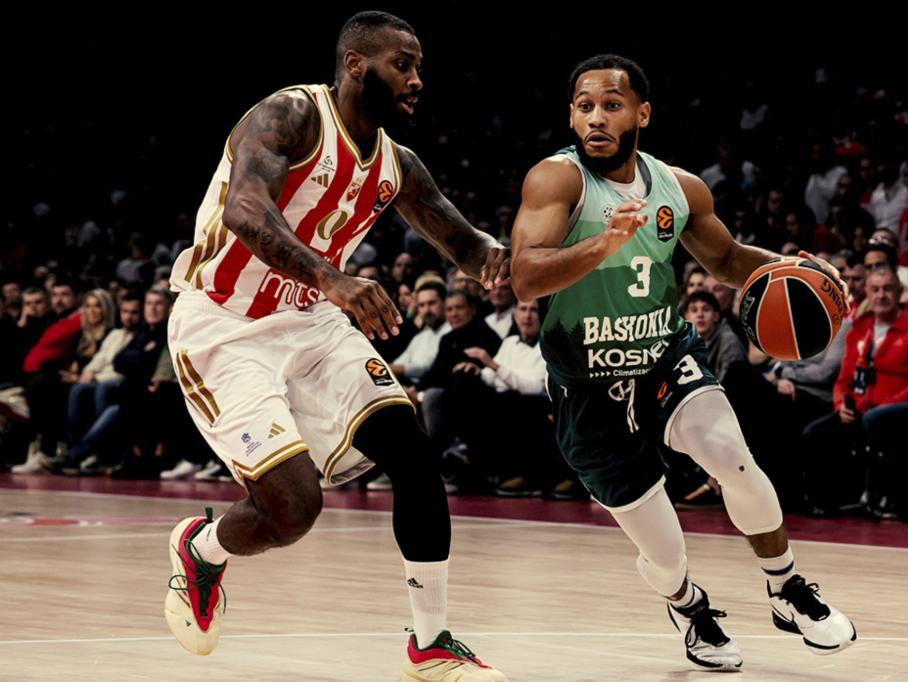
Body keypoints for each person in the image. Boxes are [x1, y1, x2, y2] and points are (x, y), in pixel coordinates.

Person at [163, 12, 507, 680]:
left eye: (419, 67)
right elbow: (245, 209)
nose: (417, 80)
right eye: (402, 64)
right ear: (356, 64)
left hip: (312, 321)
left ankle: (431, 643)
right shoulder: (290, 115)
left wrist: (533, 258)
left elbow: (469, 247)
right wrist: (334, 279)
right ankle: (202, 550)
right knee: (294, 509)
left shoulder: (398, 164)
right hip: (226, 326)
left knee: (412, 452)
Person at [509, 54, 855, 672]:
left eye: (611, 105)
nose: (595, 117)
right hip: (587, 388)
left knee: (734, 459)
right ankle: (689, 607)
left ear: (642, 114)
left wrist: (801, 271)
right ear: (571, 116)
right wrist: (603, 243)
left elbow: (726, 260)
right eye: (584, 106)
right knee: (665, 553)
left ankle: (786, 586)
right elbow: (525, 277)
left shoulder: (679, 187)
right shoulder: (556, 181)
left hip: (664, 356)